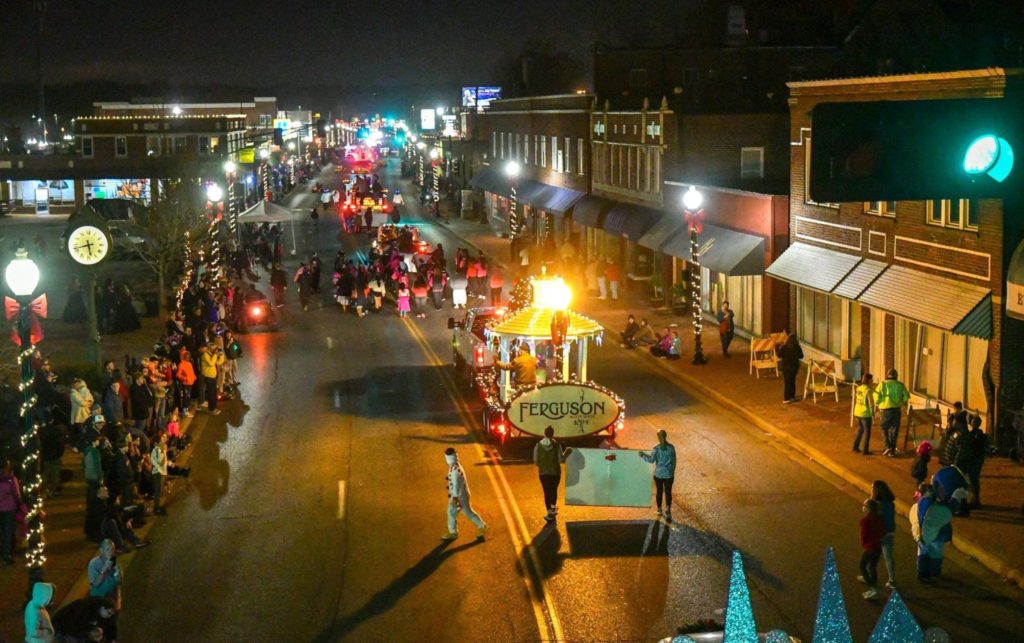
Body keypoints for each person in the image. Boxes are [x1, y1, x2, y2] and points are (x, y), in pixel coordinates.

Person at [909, 483, 955, 582]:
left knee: (923, 554)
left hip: (922, 534)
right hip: (936, 535)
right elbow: (947, 515)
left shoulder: (919, 504)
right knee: (935, 555)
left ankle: (922, 573)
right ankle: (934, 573)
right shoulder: (934, 505)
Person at [441, 448, 488, 541]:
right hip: (462, 495)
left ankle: (453, 533)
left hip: (459, 496)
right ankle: (482, 526)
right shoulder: (455, 466)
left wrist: (454, 498)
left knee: (452, 512)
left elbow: (456, 486)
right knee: (467, 512)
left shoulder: (454, 470)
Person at [533, 426, 572, 522]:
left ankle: (549, 512)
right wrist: (567, 452)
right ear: (552, 434)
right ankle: (553, 508)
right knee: (553, 490)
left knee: (546, 491)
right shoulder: (556, 445)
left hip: (543, 473)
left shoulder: (538, 445)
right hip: (555, 472)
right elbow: (561, 460)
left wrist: (543, 464)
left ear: (544, 433)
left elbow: (536, 461)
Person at [640, 430, 677, 521]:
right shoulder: (671, 448)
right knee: (668, 492)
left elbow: (651, 460)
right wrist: (671, 471)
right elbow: (674, 461)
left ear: (658, 437)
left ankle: (659, 510)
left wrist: (643, 455)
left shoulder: (656, 448)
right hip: (668, 474)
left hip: (658, 474)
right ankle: (668, 510)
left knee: (659, 492)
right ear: (666, 436)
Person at [51, 596, 117, 643]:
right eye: (109, 613)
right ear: (103, 607)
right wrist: (89, 632)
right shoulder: (85, 607)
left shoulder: (97, 613)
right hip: (62, 627)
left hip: (71, 629)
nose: (109, 616)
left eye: (111, 614)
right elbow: (74, 624)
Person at [876, 369, 911, 457]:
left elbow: (876, 396)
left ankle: (887, 446)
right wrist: (900, 402)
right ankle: (892, 451)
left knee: (883, 427)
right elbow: (906, 398)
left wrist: (878, 403)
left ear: (887, 375)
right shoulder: (900, 385)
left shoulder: (882, 384)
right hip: (896, 410)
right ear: (896, 376)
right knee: (894, 430)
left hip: (885, 410)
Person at [871, 480, 898, 590]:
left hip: (879, 533)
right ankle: (892, 579)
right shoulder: (890, 504)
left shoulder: (878, 505)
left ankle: (869, 576)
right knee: (888, 557)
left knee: (871, 555)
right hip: (890, 532)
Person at [858, 498, 886, 599]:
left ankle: (872, 588)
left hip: (870, 547)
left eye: (864, 505)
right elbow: (883, 531)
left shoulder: (865, 521)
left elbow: (863, 535)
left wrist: (864, 543)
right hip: (878, 547)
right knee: (872, 566)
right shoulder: (879, 519)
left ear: (869, 509)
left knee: (862, 566)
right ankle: (872, 583)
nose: (863, 507)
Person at [88, 539, 122, 606]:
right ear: (101, 550)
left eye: (112, 549)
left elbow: (119, 581)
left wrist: (118, 572)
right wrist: (104, 569)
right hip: (99, 599)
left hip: (113, 597)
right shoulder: (94, 564)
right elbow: (95, 584)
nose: (110, 552)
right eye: (107, 549)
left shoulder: (114, 562)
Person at [0, 459, 22, 564]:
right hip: (9, 507)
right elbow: (17, 494)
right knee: (8, 532)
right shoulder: (11, 479)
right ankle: (6, 555)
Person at [965, 415, 987, 509]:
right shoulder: (980, 434)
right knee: (974, 480)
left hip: (974, 459)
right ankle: (975, 499)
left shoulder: (975, 435)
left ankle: (975, 500)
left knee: (973, 480)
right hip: (977, 459)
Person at [39, 420, 65, 499]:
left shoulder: (41, 431)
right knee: (55, 475)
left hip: (45, 457)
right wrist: (59, 454)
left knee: (44, 475)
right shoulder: (57, 433)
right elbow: (60, 445)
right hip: (55, 457)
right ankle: (53, 491)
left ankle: (44, 492)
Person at [852, 373, 876, 455]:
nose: (872, 381)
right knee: (867, 432)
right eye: (872, 380)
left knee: (860, 430)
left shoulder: (859, 388)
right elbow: (871, 403)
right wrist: (873, 413)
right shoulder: (868, 391)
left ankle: (855, 447)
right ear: (869, 380)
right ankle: (865, 450)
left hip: (857, 412)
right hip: (865, 414)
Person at [777, 333, 804, 403]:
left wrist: (781, 347)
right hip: (794, 367)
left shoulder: (784, 347)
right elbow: (801, 356)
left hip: (786, 367)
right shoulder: (797, 347)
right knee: (793, 381)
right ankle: (792, 396)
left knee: (787, 382)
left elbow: (779, 355)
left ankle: (786, 398)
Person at [200, 342, 225, 416]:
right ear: (210, 348)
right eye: (214, 348)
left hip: (213, 377)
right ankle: (211, 409)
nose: (215, 349)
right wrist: (215, 354)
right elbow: (211, 363)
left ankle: (214, 407)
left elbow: (218, 362)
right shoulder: (205, 355)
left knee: (214, 393)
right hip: (208, 377)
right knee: (211, 394)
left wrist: (221, 355)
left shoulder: (212, 354)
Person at [151, 431, 168, 515]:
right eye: (160, 441)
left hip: (162, 472)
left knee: (160, 490)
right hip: (158, 473)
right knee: (158, 491)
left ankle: (158, 506)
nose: (163, 442)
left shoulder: (161, 450)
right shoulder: (156, 451)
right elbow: (155, 462)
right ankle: (156, 508)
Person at [176, 351, 197, 417]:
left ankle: (186, 409)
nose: (188, 357)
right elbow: (178, 375)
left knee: (188, 397)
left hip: (190, 383)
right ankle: (184, 411)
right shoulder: (181, 364)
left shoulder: (189, 363)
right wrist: (185, 379)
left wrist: (193, 377)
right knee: (186, 397)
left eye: (189, 356)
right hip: (185, 384)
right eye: (186, 356)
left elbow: (191, 372)